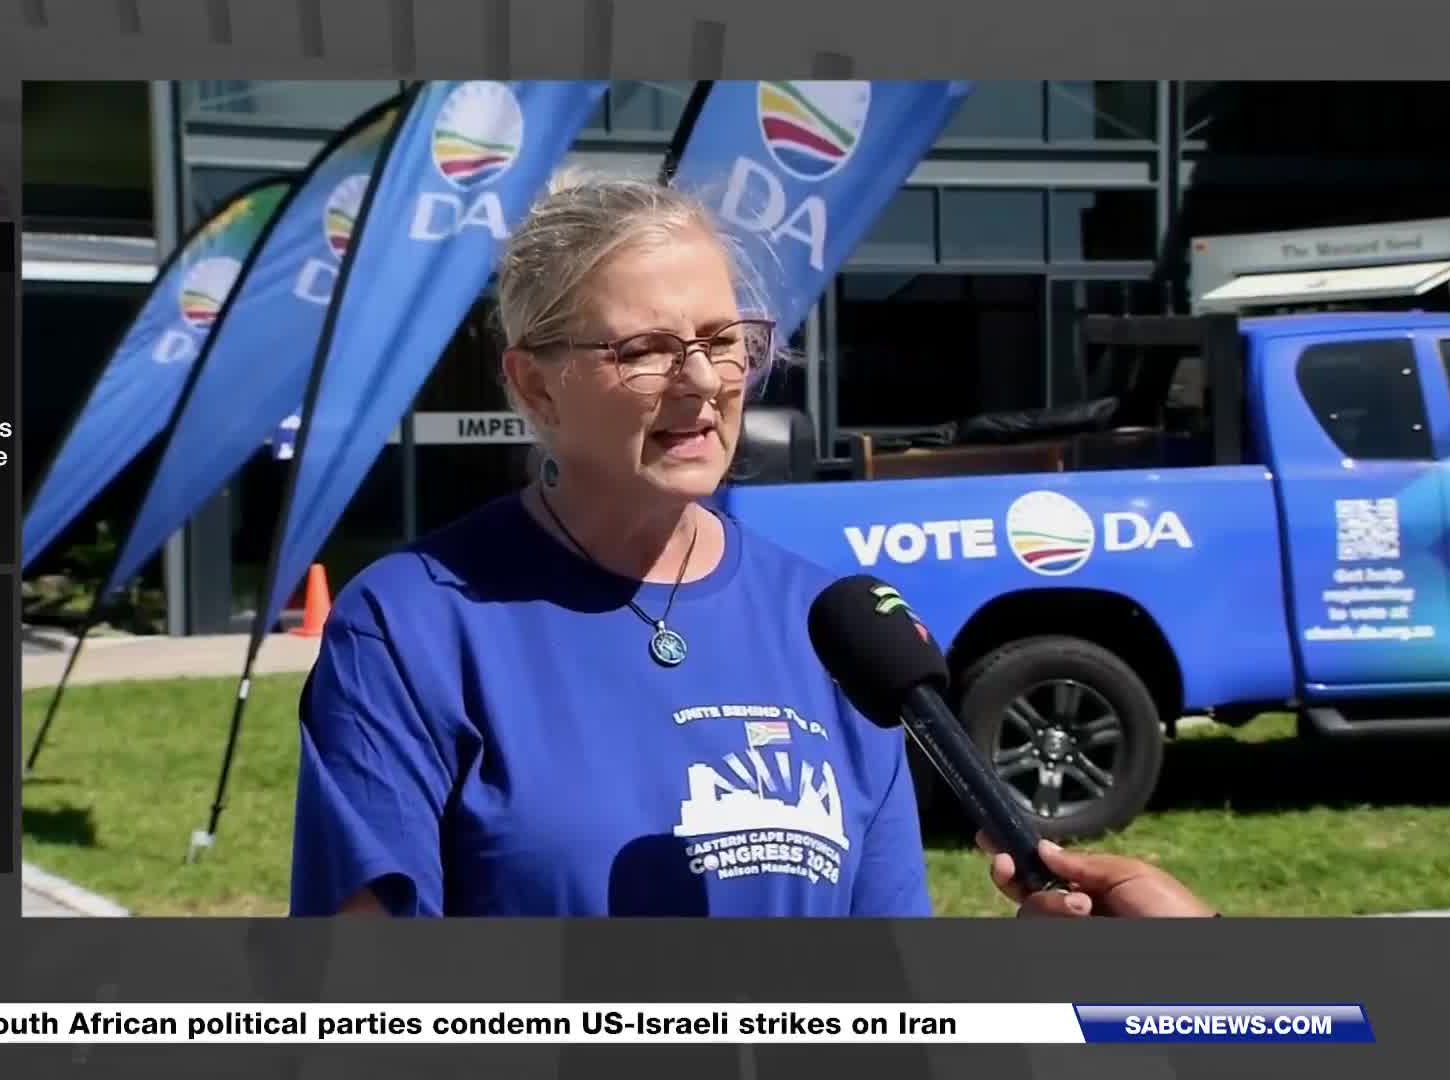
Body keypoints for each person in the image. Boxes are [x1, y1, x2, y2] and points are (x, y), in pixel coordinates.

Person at [288, 172, 1215, 920]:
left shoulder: (839, 633)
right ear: (535, 387)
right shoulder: (410, 625)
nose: (701, 382)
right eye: (644, 349)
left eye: (725, 340)